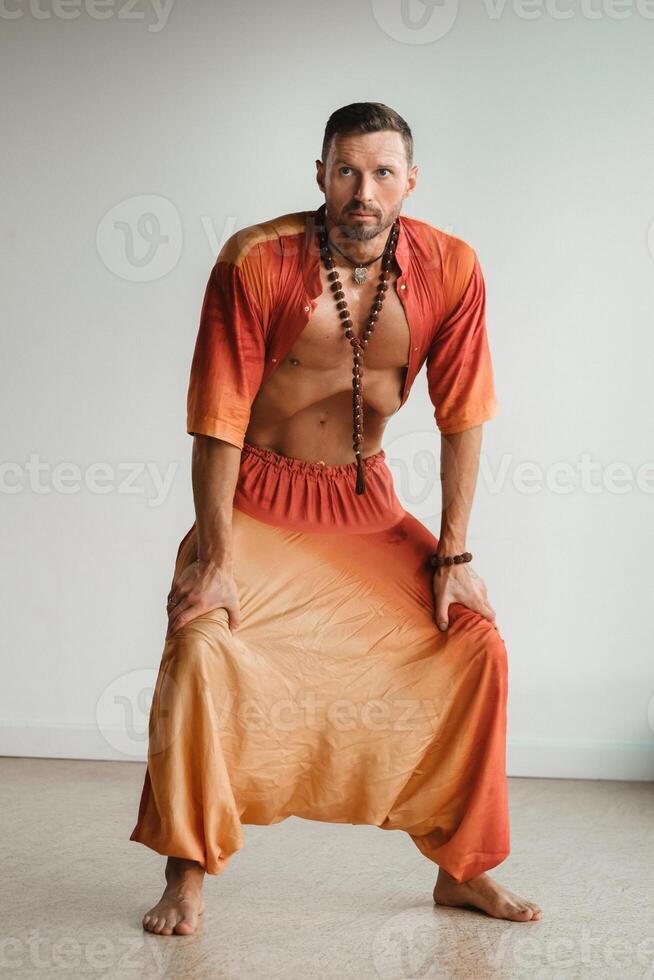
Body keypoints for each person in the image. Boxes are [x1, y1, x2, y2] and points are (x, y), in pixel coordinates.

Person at [130, 102, 542, 935]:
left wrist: (454, 560)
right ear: (319, 175)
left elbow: (464, 417)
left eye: (383, 173)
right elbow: (219, 416)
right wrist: (213, 555)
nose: (364, 192)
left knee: (475, 643)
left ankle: (462, 869)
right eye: (347, 171)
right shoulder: (257, 260)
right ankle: (187, 870)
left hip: (366, 505)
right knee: (204, 641)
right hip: (257, 501)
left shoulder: (452, 268)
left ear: (410, 183)